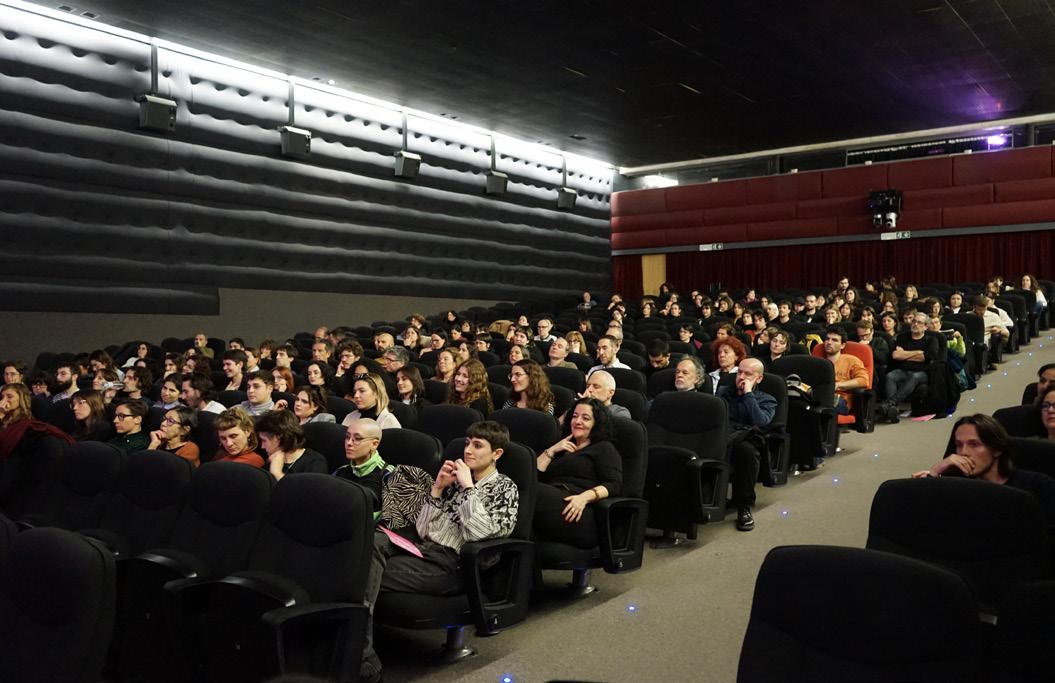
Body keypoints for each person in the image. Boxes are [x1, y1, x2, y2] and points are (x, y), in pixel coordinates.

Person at [359, 420, 519, 682]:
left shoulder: (505, 488)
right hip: (423, 551)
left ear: (496, 454)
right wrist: (438, 488)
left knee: (362, 570)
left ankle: (362, 655)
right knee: (371, 542)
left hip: (453, 566)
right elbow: (423, 529)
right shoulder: (455, 481)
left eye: (478, 445)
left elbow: (479, 534)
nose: (468, 450)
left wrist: (469, 489)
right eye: (467, 443)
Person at [913, 414, 1055, 524]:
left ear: (997, 449)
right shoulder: (956, 484)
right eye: (958, 445)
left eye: (974, 444)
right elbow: (923, 522)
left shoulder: (1038, 485)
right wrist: (935, 471)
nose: (963, 452)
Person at [535, 397, 621, 548]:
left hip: (578, 511)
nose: (578, 421)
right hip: (550, 502)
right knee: (525, 487)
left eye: (585, 418)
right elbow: (533, 474)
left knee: (530, 490)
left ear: (597, 424)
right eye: (575, 416)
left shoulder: (604, 448)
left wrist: (584, 498)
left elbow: (614, 485)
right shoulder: (563, 446)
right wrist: (552, 450)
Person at [715, 358, 776, 532]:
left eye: (748, 374)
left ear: (759, 378)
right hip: (723, 435)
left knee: (747, 451)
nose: (741, 377)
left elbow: (760, 422)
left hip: (747, 438)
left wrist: (748, 394)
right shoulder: (724, 392)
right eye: (739, 372)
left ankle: (744, 507)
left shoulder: (767, 400)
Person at [884, 312, 938, 415]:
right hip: (904, 370)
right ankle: (893, 410)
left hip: (923, 373)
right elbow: (896, 356)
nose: (915, 324)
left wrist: (904, 354)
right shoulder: (902, 337)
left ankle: (890, 403)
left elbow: (926, 358)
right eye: (914, 321)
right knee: (890, 376)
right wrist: (918, 352)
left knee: (915, 376)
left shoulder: (931, 340)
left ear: (926, 326)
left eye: (919, 322)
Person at [256, 409, 328, 481]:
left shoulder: (315, 462)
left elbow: (309, 488)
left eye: (264, 440)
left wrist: (277, 474)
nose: (262, 447)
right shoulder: (269, 465)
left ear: (278, 438)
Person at [822, 326, 869, 415]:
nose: (829, 342)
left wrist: (838, 385)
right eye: (827, 339)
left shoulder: (852, 360)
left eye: (834, 340)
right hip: (818, 395)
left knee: (828, 402)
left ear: (842, 345)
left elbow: (864, 380)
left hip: (840, 399)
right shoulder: (817, 361)